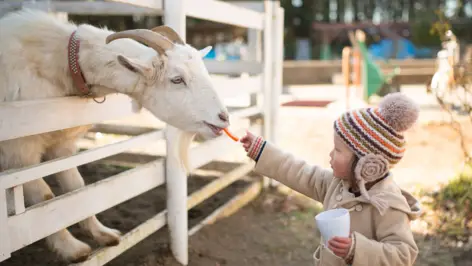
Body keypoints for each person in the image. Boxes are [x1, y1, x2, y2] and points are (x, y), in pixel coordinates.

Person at [240, 92, 423, 266]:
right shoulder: (336, 185)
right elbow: (299, 172)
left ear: (366, 164)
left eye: (338, 150)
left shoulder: (388, 205)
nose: (330, 154)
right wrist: (262, 151)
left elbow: (403, 255)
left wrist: (356, 250)